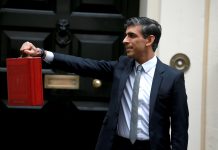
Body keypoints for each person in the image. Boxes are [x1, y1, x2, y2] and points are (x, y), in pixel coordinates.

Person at [20, 17, 189, 150]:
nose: (124, 40)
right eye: (125, 35)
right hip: (117, 145)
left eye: (131, 35)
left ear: (149, 40)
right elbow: (84, 65)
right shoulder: (122, 66)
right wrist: (42, 53)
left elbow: (179, 128)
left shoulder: (172, 77)